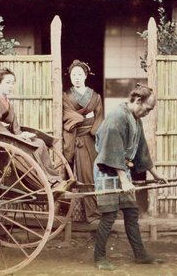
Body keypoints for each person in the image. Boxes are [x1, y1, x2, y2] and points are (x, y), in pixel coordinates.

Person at [93, 84, 165, 271]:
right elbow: (112, 150)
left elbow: (141, 150)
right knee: (109, 217)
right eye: (148, 109)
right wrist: (124, 181)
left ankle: (140, 255)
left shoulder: (134, 117)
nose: (148, 113)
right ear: (138, 101)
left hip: (122, 170)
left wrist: (156, 175)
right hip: (107, 170)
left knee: (132, 214)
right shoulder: (117, 117)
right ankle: (99, 257)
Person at [0, 67, 68, 191]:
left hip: (10, 137)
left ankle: (52, 179)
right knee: (31, 147)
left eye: (13, 83)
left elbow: (15, 127)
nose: (11, 86)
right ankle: (43, 181)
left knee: (40, 143)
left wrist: (21, 134)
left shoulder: (8, 104)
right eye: (7, 82)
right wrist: (17, 137)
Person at [62, 59, 103, 223]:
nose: (76, 77)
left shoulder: (95, 96)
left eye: (79, 74)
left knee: (93, 176)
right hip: (76, 139)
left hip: (91, 139)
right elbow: (68, 115)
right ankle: (80, 214)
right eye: (73, 75)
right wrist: (82, 117)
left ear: (85, 76)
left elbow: (98, 117)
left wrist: (93, 126)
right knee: (77, 175)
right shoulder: (66, 96)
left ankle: (93, 212)